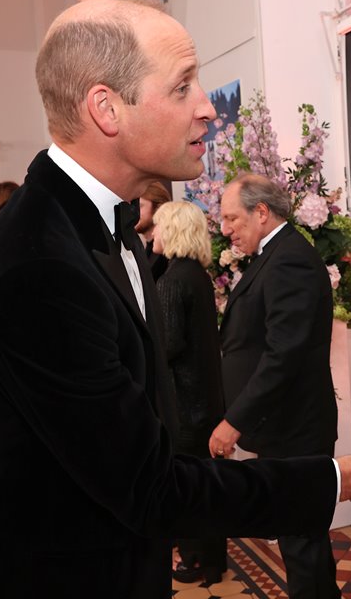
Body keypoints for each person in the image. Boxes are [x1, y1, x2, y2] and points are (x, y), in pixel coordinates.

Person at [0, 0, 351, 599]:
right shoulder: (36, 271)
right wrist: (345, 480)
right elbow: (150, 490)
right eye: (182, 88)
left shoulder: (93, 235)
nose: (207, 109)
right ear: (107, 109)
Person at [210, 173, 341, 598]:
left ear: (261, 212)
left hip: (296, 429)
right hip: (287, 427)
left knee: (303, 543)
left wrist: (235, 420)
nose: (226, 229)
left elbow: (285, 354)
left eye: (232, 218)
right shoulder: (276, 254)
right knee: (298, 539)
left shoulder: (289, 259)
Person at [151, 200, 228, 584]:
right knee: (206, 485)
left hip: (183, 406)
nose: (153, 235)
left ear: (174, 231)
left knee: (187, 488)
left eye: (159, 227)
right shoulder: (196, 274)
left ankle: (195, 557)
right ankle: (212, 557)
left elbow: (165, 346)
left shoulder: (171, 281)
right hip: (206, 401)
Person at [138, 181, 172, 279]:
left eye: (140, 206)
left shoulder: (167, 253)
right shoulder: (145, 250)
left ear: (158, 208)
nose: (134, 212)